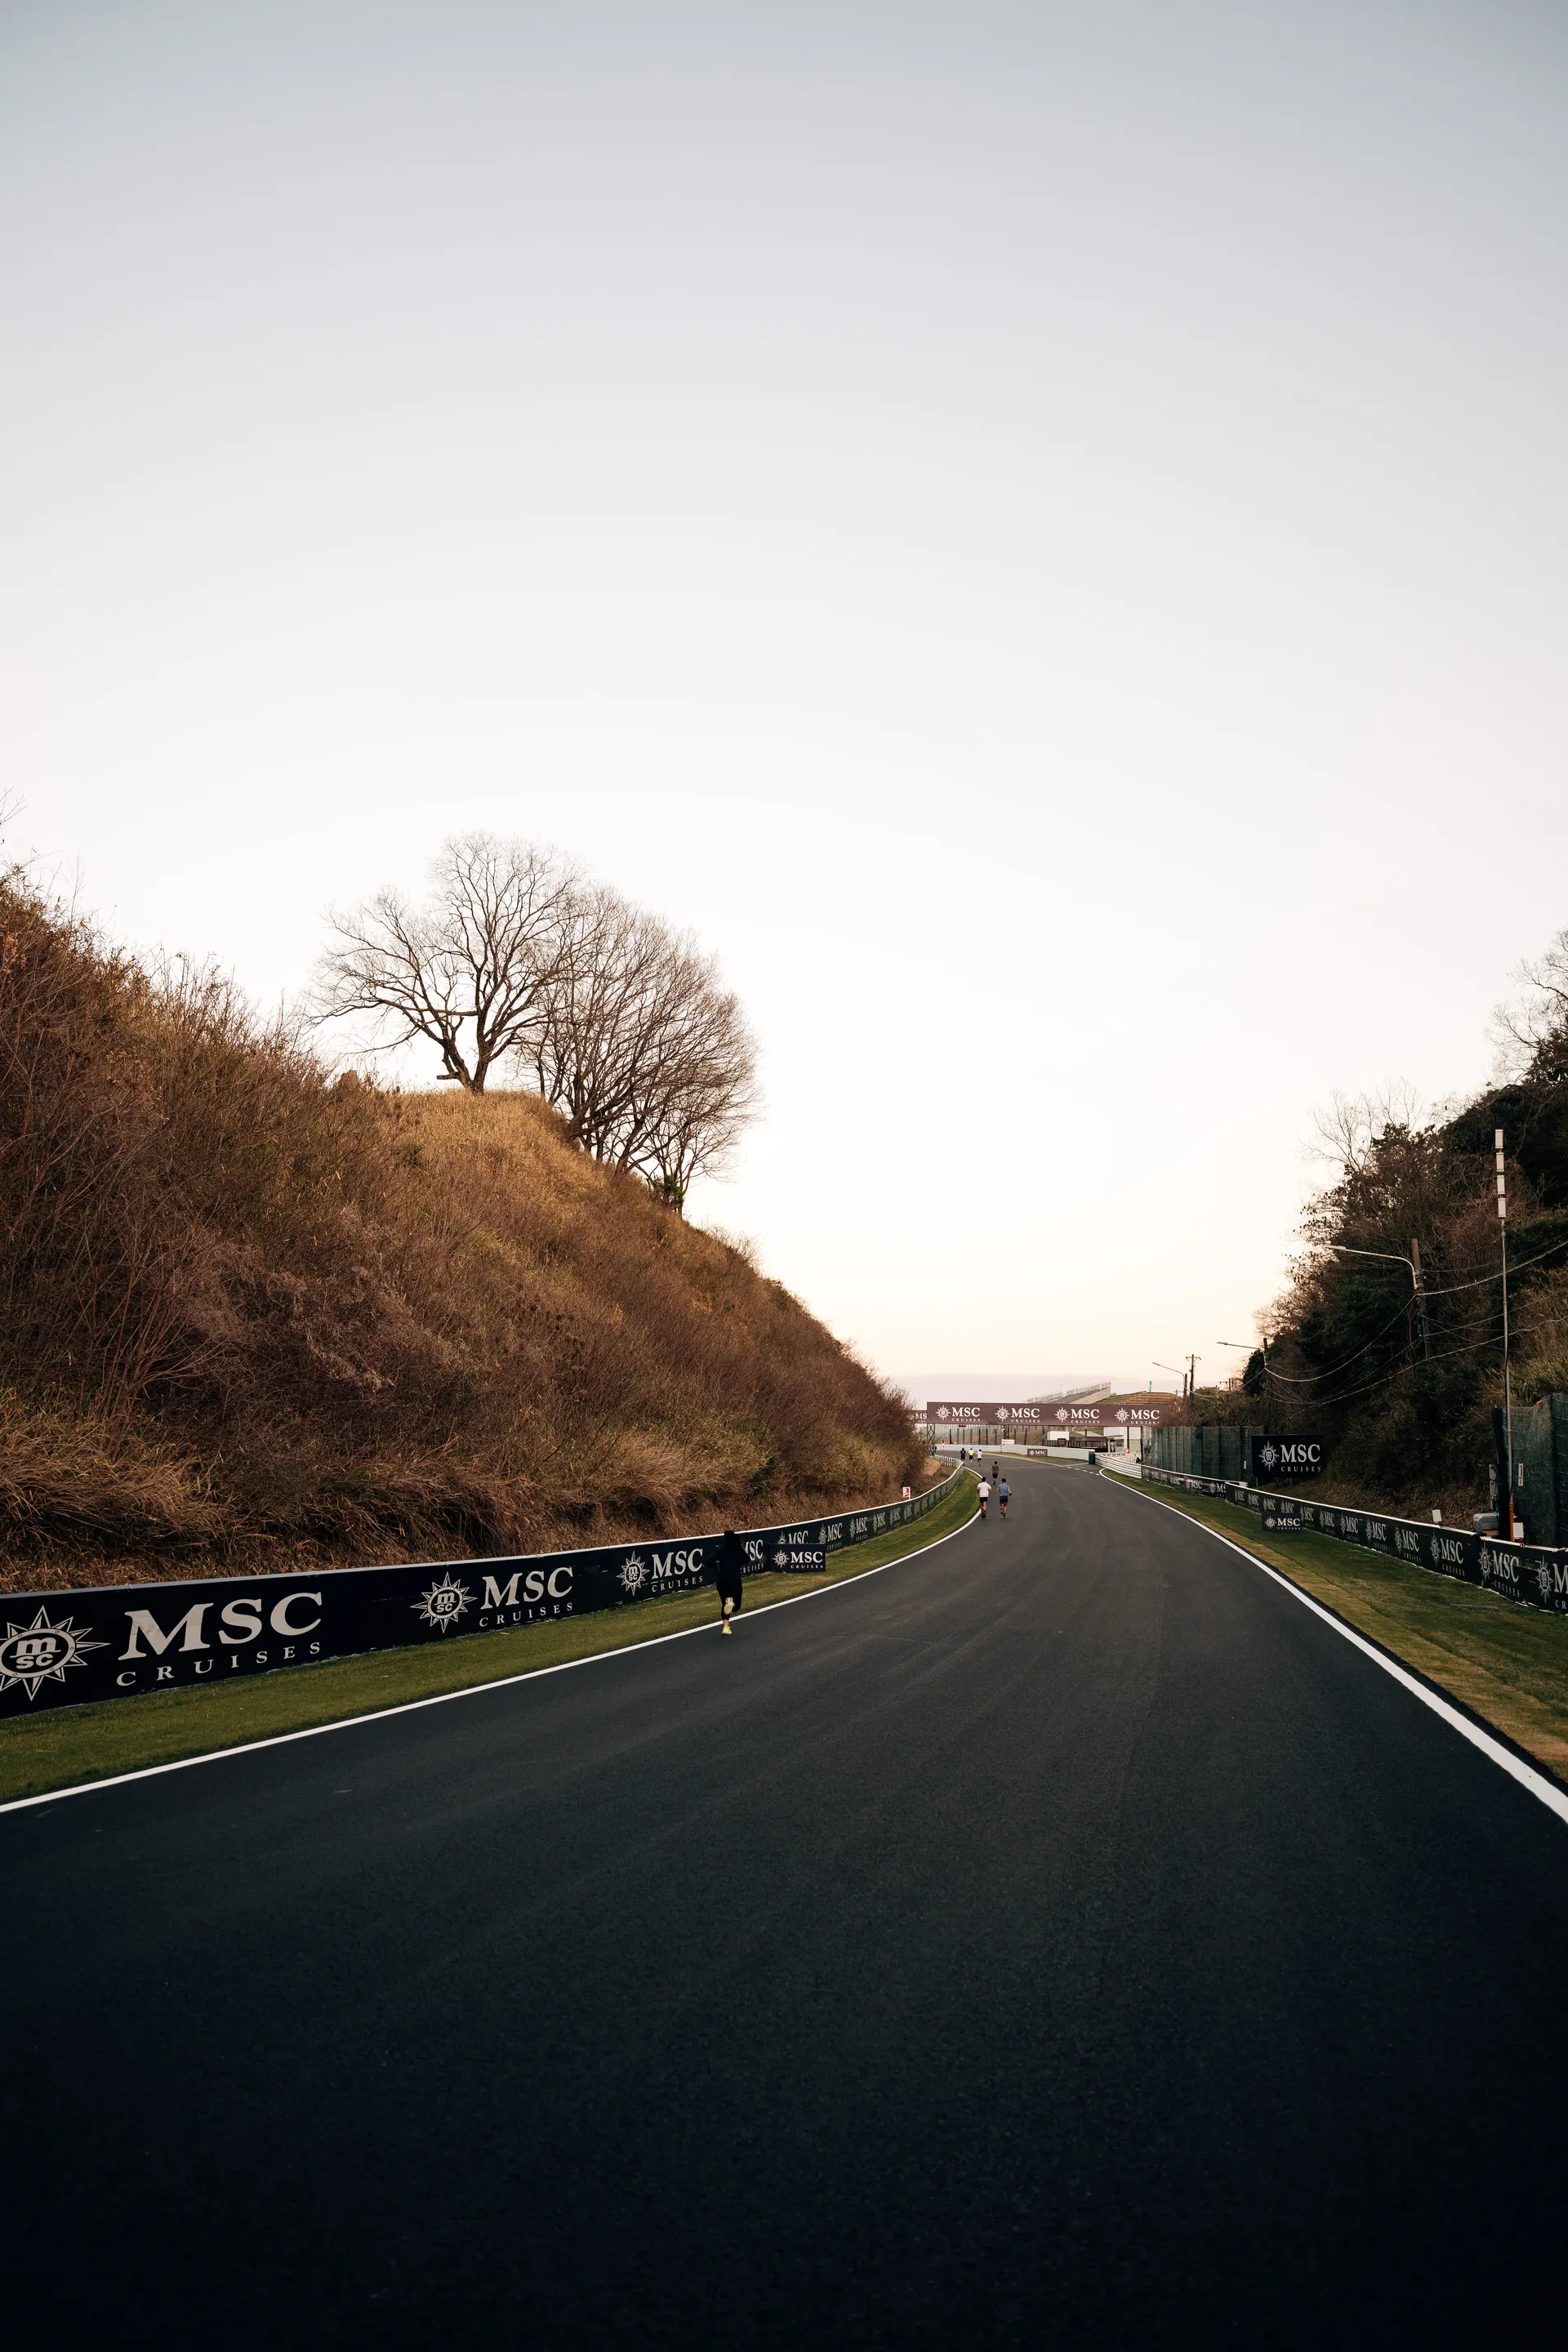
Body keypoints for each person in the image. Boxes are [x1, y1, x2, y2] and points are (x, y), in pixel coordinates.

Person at [715, 1528, 746, 1633]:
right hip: (734, 1580)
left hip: (721, 1580)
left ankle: (726, 1627)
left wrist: (717, 1563)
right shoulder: (737, 1549)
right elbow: (747, 1559)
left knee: (724, 1604)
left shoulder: (720, 1550)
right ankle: (732, 1604)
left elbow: (709, 1561)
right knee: (737, 1606)